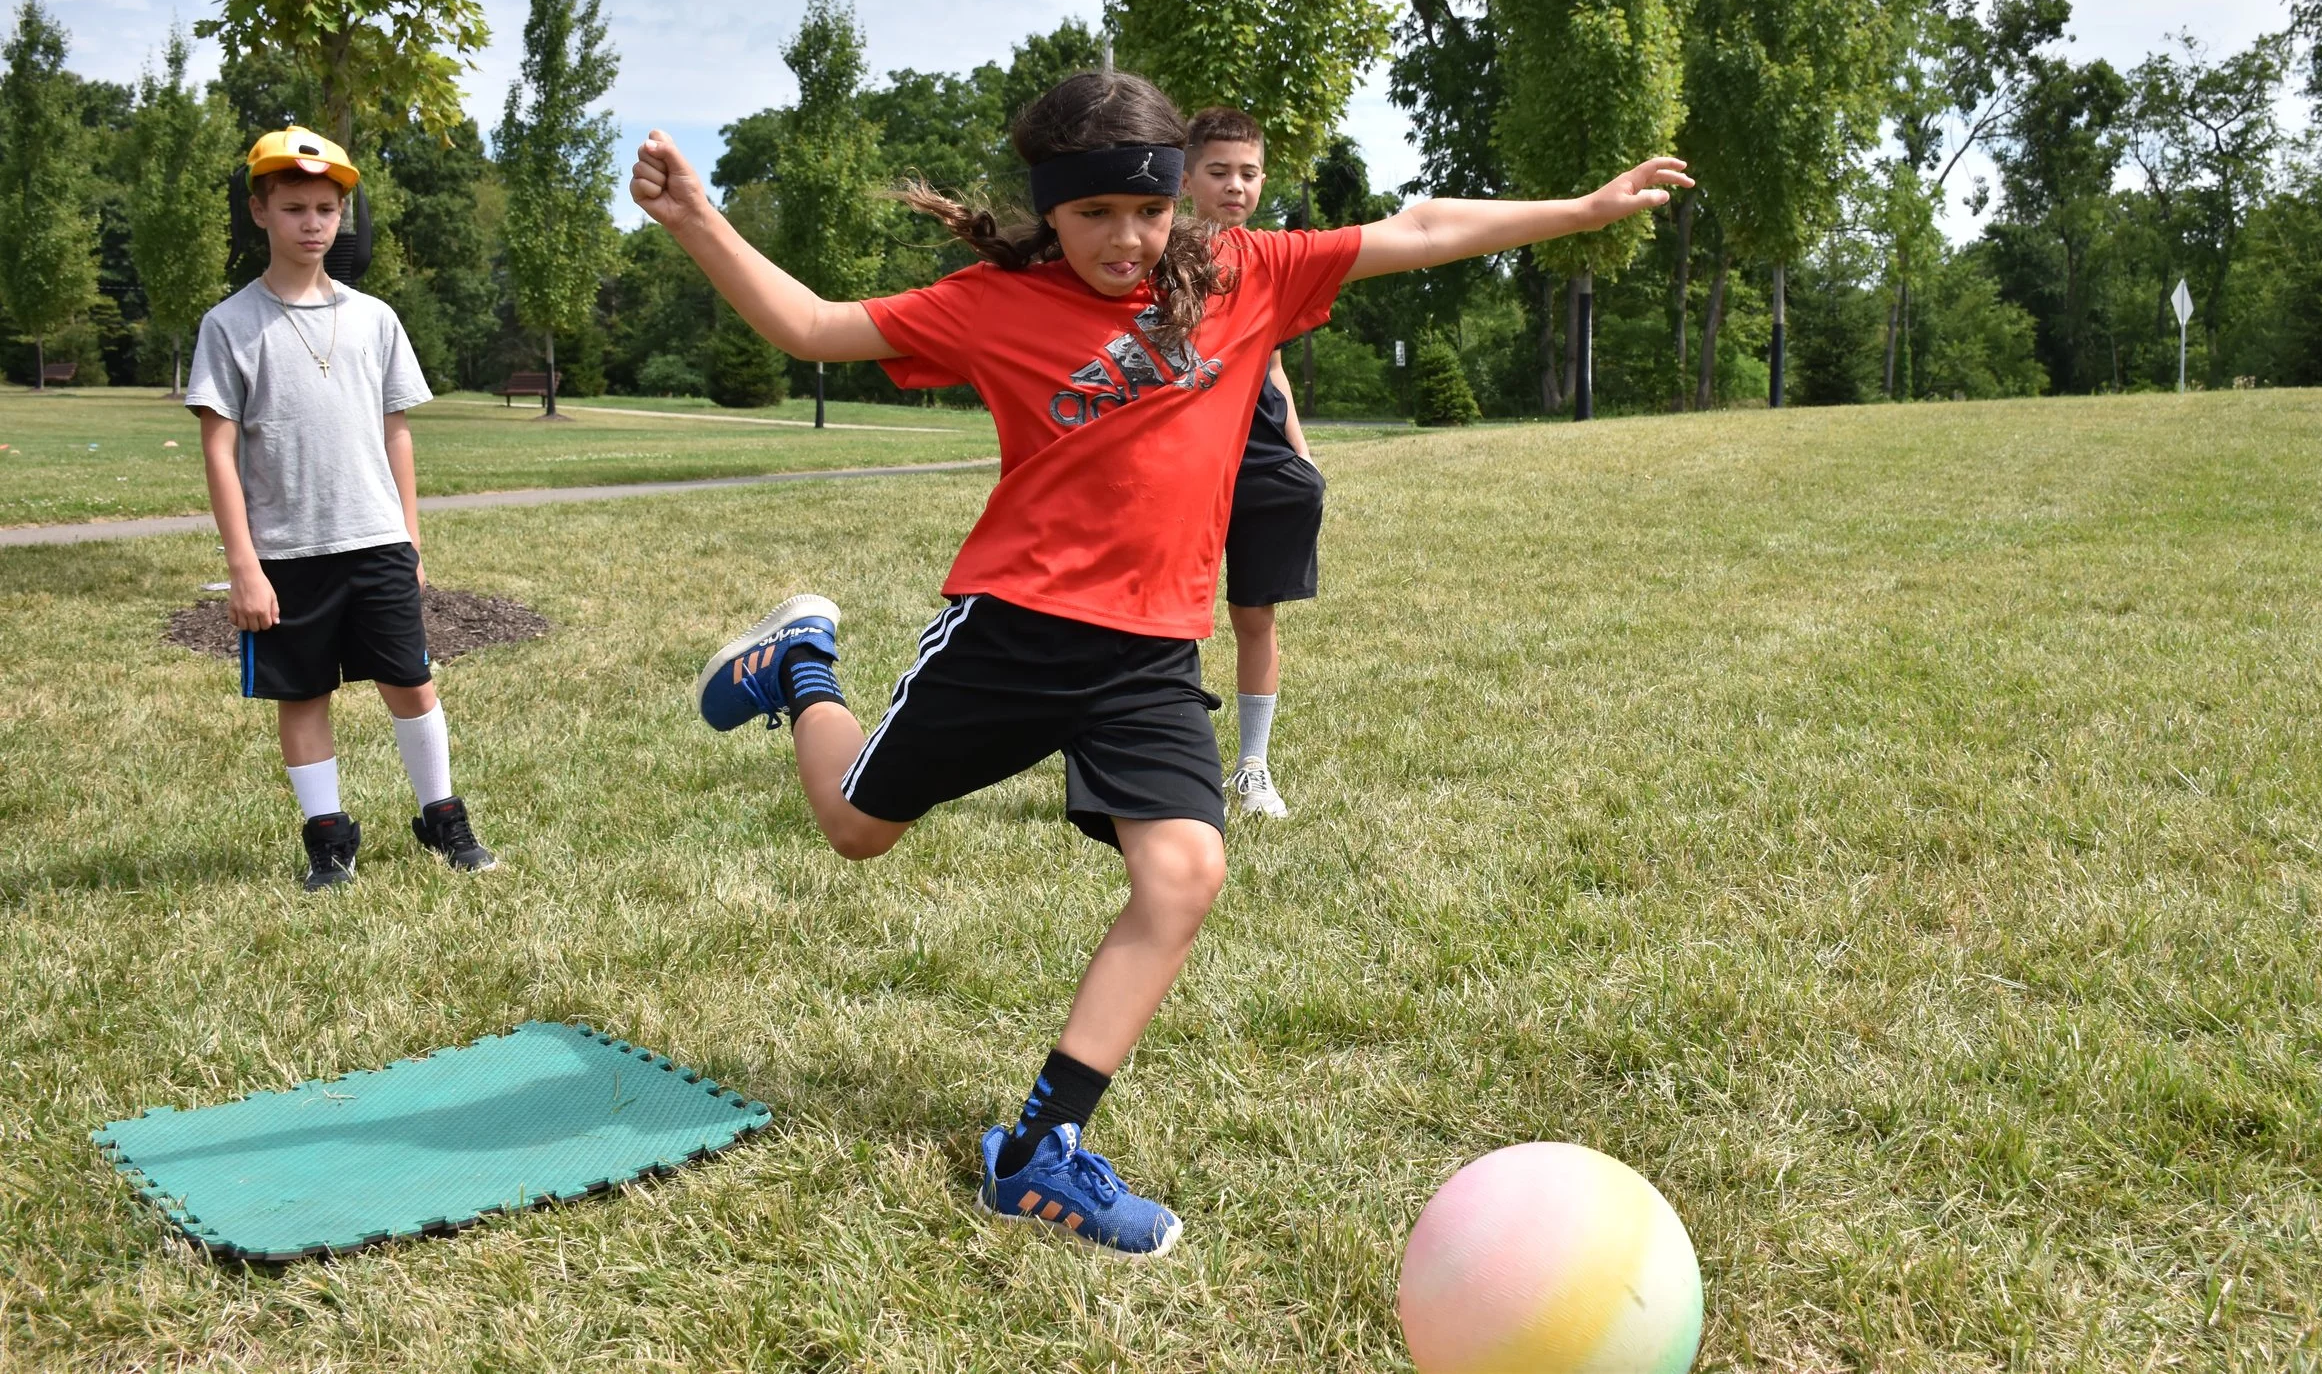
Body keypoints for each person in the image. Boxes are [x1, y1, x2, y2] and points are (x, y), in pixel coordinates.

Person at [631, 70, 1689, 1258]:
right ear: (1051, 210)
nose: (1126, 241)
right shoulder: (994, 301)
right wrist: (699, 221)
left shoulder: (1243, 273)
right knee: (854, 828)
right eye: (1094, 218)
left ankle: (1037, 1153)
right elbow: (813, 326)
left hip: (1146, 653)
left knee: (1184, 873)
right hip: (1015, 628)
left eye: (1146, 212)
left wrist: (1581, 209)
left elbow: (1427, 225)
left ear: (1176, 195)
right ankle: (801, 664)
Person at [187, 126, 497, 892]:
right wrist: (243, 566)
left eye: (328, 207)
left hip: (377, 539)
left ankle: (442, 817)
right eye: (293, 206)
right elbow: (219, 452)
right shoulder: (229, 326)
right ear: (259, 210)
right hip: (286, 556)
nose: (313, 222)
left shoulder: (375, 318)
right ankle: (328, 838)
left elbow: (398, 434)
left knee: (412, 682)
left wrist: (412, 539)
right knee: (303, 695)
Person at [1179, 107, 1314, 819]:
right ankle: (1174, 764)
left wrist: (1299, 449)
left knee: (1253, 613)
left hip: (1260, 454)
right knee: (1169, 617)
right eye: (1219, 171)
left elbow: (1274, 362)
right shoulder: (1154, 253)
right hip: (1186, 454)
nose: (1236, 185)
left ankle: (1253, 768)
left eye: (1250, 173)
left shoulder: (1268, 260)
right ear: (1185, 176)